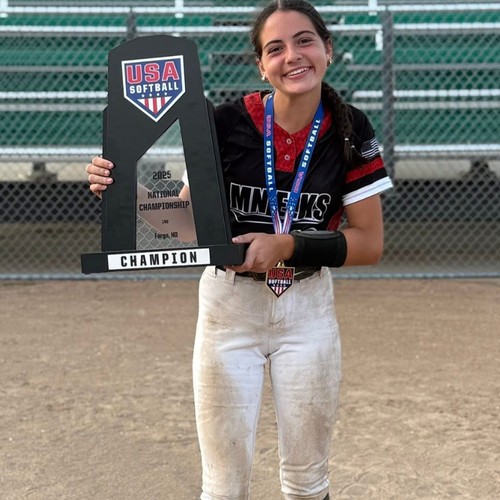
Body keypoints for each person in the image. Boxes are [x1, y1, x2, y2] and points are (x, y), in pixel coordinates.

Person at [86, 1, 393, 498]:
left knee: (307, 483)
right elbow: (185, 222)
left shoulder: (351, 128)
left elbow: (370, 243)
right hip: (229, 305)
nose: (292, 56)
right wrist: (121, 192)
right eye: (276, 48)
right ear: (261, 65)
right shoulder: (228, 122)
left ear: (328, 48)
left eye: (305, 41)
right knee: (224, 487)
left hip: (307, 307)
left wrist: (286, 244)